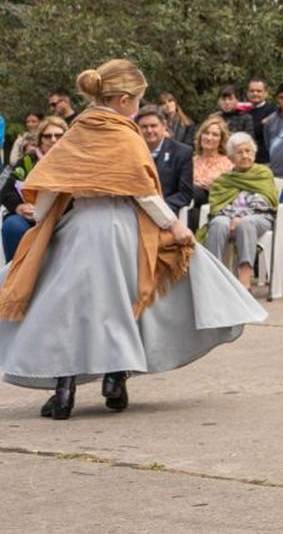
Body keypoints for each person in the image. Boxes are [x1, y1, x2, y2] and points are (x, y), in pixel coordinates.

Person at [0, 59, 264, 420]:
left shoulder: (76, 132)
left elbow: (50, 185)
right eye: (138, 100)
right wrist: (174, 226)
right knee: (123, 302)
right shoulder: (124, 133)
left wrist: (43, 220)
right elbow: (143, 192)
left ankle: (64, 390)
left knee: (69, 308)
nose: (139, 107)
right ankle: (114, 379)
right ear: (124, 100)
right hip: (122, 228)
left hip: (79, 228)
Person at [199, 132, 279, 289]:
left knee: (246, 223)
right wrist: (230, 217)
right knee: (218, 222)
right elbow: (217, 206)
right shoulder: (224, 180)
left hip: (258, 218)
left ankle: (245, 276)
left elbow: (265, 201)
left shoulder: (263, 174)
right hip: (229, 218)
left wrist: (240, 217)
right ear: (231, 157)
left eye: (248, 151)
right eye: (239, 152)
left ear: (254, 154)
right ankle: (214, 274)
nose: (244, 155)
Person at [2, 116, 68, 261]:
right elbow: (6, 191)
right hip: (28, 217)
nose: (53, 140)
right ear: (40, 139)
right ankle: (13, 275)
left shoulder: (73, 162)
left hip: (61, 218)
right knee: (12, 226)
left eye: (58, 135)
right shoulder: (28, 160)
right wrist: (19, 206)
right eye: (47, 136)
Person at [136, 106, 195, 225]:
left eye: (153, 126)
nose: (149, 130)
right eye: (144, 127)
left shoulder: (182, 153)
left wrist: (156, 208)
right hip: (135, 212)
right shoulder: (131, 152)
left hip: (167, 213)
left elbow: (185, 194)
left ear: (164, 126)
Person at [189, 116, 233, 229]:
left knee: (195, 191)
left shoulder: (228, 163)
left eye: (215, 135)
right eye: (206, 133)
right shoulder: (191, 161)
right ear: (200, 136)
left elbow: (229, 190)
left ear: (221, 140)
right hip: (191, 205)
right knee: (193, 211)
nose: (209, 137)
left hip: (214, 203)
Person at [244, 77, 274, 161]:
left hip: (265, 161)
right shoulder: (242, 111)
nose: (255, 93)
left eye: (259, 91)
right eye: (252, 91)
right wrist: (261, 124)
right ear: (247, 93)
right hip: (244, 159)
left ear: (266, 93)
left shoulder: (273, 111)